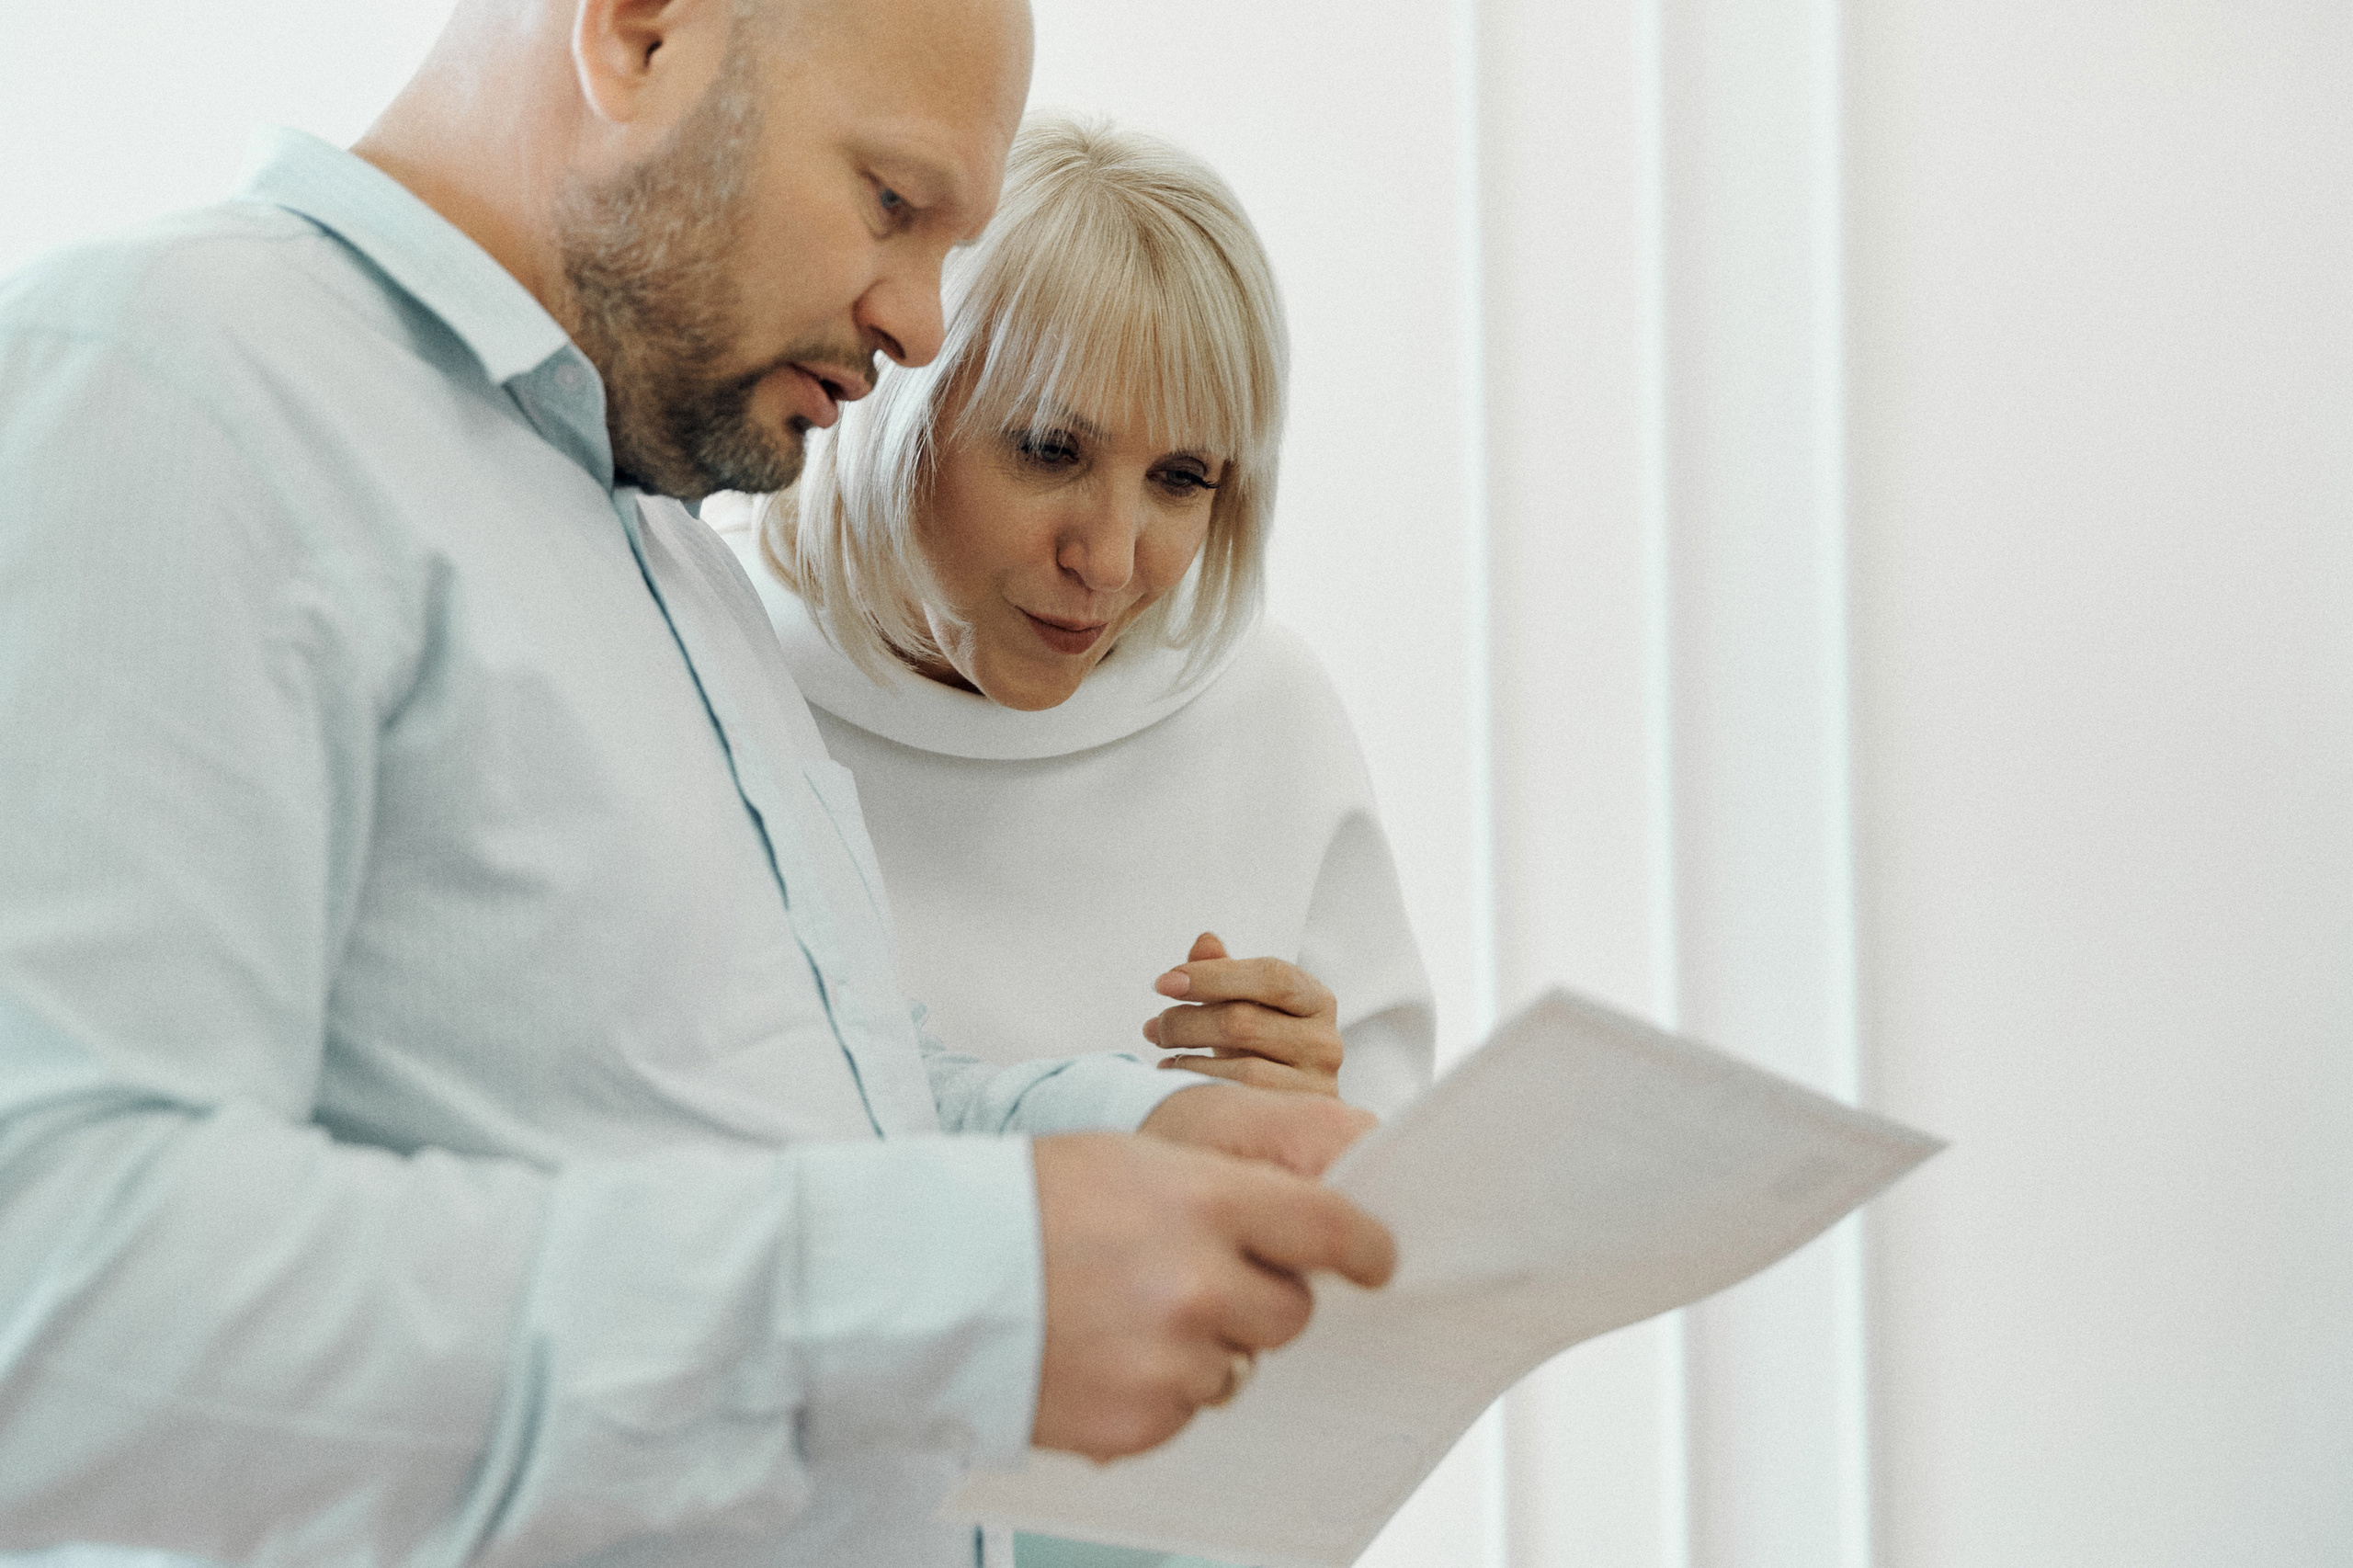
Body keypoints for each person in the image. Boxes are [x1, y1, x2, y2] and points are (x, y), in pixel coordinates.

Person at [0, 4, 1395, 1567]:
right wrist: (935, 1286)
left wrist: (1142, 1131)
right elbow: (54, 1290)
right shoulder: (167, 384)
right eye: (891, 201)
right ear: (642, 33)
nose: (923, 324)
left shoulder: (667, 549)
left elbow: (819, 1112)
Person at [710, 116, 1437, 1568]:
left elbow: (1388, 1273)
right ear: (902, 403)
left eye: (1183, 478)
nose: (1111, 558)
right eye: (1052, 451)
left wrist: (1316, 1123)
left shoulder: (1264, 711)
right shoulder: (723, 676)